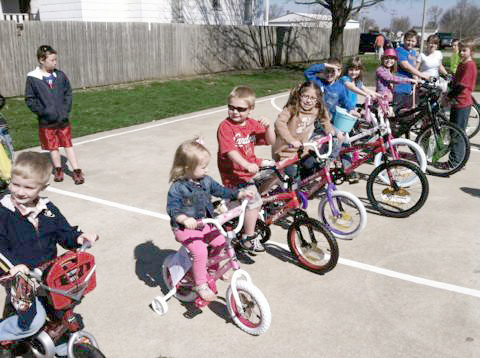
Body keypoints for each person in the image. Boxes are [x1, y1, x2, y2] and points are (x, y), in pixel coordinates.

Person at [0, 151, 98, 344]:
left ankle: (63, 348)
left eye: (28, 187)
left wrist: (79, 237)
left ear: (43, 187)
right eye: (15, 184)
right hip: (18, 276)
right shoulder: (3, 213)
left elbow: (64, 232)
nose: (20, 191)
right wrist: (15, 268)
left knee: (61, 311)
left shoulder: (48, 209)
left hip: (47, 274)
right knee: (33, 321)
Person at [166, 138, 252, 301]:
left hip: (206, 223)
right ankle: (200, 284)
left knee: (222, 242)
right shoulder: (178, 187)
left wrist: (239, 194)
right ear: (187, 168)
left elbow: (221, 191)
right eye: (203, 167)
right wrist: (184, 219)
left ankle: (212, 271)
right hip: (185, 229)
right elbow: (172, 208)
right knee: (200, 251)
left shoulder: (206, 180)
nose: (207, 170)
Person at [217, 85, 275, 253]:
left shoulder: (251, 124)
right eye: (231, 107)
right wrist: (247, 165)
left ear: (250, 110)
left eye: (240, 109)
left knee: (277, 173)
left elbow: (270, 140)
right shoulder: (225, 127)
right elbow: (230, 151)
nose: (235, 112)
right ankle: (247, 237)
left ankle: (242, 206)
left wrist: (268, 126)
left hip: (250, 167)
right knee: (254, 200)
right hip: (233, 173)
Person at [25, 45, 85, 185]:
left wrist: (65, 109)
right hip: (47, 121)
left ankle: (76, 170)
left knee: (68, 144)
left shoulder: (60, 75)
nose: (55, 63)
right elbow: (30, 99)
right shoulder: (33, 78)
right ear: (42, 60)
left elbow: (68, 93)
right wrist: (43, 111)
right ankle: (58, 169)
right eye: (52, 60)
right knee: (53, 147)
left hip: (62, 119)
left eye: (55, 60)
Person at [448, 39, 478, 166]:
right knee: (453, 132)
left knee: (458, 134)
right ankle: (456, 160)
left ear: (471, 51)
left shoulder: (470, 65)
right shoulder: (462, 63)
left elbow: (461, 86)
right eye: (460, 50)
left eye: (464, 50)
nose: (461, 53)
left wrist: (448, 96)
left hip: (462, 103)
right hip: (456, 103)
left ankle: (455, 162)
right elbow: (455, 81)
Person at [393, 29, 430, 112]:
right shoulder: (399, 50)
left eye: (413, 41)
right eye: (408, 40)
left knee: (407, 113)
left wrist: (417, 78)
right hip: (400, 87)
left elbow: (413, 69)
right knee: (397, 112)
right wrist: (422, 75)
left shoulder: (413, 52)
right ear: (404, 40)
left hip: (409, 88)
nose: (410, 43)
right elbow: (406, 66)